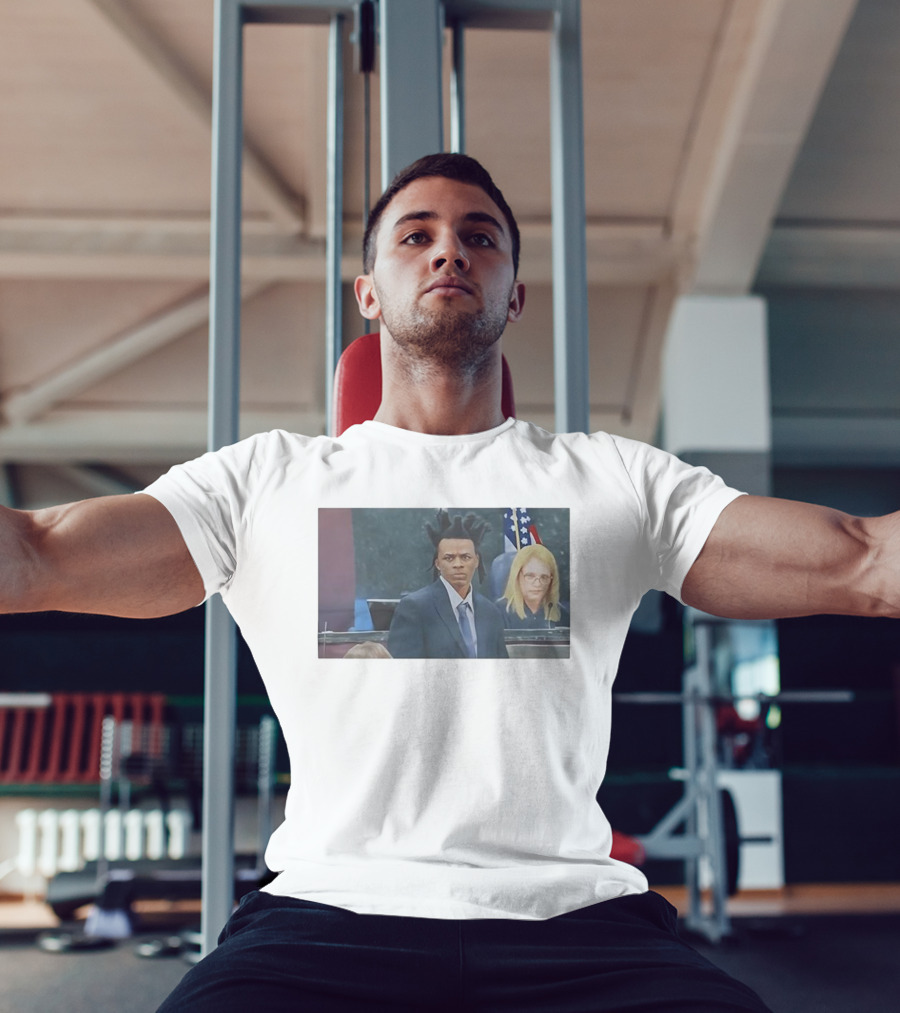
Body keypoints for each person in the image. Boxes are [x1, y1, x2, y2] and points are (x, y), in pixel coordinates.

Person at [2, 153, 899, 1013]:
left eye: (479, 236)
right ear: (368, 294)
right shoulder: (264, 482)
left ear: (515, 294)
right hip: (326, 914)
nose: (448, 250)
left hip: (576, 920)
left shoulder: (613, 480)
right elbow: (40, 553)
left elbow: (861, 558)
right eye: (415, 235)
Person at [387, 509, 508, 659]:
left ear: (476, 561)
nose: (458, 564)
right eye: (449, 558)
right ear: (437, 563)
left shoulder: (490, 612)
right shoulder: (414, 608)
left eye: (465, 557)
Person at [498, 542, 569, 629]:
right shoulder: (497, 613)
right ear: (517, 576)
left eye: (544, 577)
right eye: (530, 576)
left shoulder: (562, 615)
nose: (538, 583)